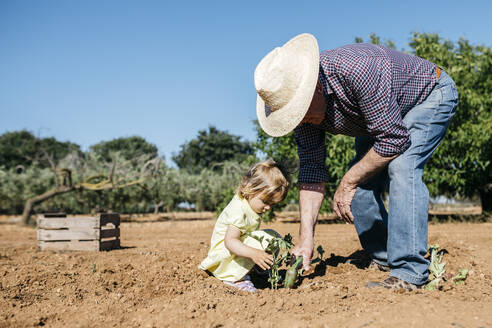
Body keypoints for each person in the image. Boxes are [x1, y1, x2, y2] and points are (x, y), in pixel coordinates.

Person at [254, 33, 458, 291]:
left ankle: (410, 272)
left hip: (428, 95)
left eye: (300, 112)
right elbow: (312, 172)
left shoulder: (358, 70)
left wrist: (348, 180)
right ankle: (384, 258)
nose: (300, 121)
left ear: (314, 88)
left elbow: (394, 139)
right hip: (377, 120)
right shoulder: (303, 117)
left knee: (401, 167)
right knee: (360, 191)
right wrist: (306, 238)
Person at [198, 159, 290, 292]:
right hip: (224, 257)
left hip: (234, 251)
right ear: (250, 188)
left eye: (273, 204)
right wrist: (254, 253)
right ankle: (235, 279)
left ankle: (260, 269)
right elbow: (230, 242)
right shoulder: (238, 210)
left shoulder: (251, 205)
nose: (268, 207)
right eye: (265, 201)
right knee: (261, 242)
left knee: (274, 238)